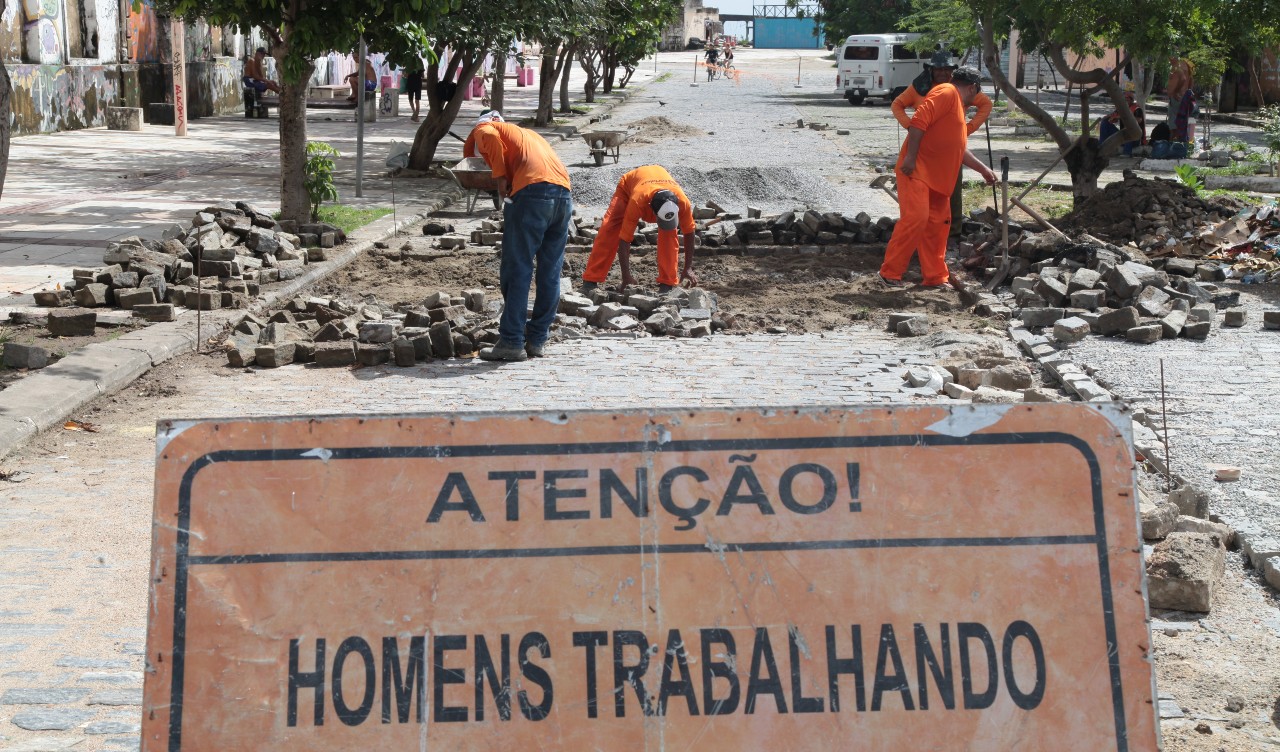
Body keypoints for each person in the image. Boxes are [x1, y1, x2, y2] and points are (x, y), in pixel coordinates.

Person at [467, 112, 573, 362]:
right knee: (550, 272)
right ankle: (537, 339)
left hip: (532, 196)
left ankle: (512, 341)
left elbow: (489, 136)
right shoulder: (528, 135)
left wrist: (500, 179)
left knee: (518, 269)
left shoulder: (484, 128)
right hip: (563, 196)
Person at [879, 66, 997, 289]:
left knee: (937, 228)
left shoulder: (957, 105)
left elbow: (957, 148)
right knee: (916, 218)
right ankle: (890, 273)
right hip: (916, 171)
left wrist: (983, 169)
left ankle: (935, 277)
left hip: (938, 180)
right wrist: (910, 158)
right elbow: (918, 122)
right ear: (973, 88)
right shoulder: (947, 92)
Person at [891, 51, 991, 235]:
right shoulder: (920, 88)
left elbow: (985, 103)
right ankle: (919, 231)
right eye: (939, 69)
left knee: (950, 191)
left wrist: (967, 129)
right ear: (931, 70)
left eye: (947, 69)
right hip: (924, 151)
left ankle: (951, 231)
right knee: (921, 201)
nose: (943, 73)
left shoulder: (961, 89)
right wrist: (909, 126)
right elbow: (898, 105)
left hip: (948, 149)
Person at [581, 165, 698, 294]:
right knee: (610, 227)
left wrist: (688, 267)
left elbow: (689, 232)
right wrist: (626, 277)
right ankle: (591, 280)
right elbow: (625, 239)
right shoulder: (637, 202)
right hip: (629, 187)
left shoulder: (682, 202)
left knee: (669, 234)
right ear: (651, 210)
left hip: (656, 182)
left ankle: (667, 284)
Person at [1099, 91, 1146, 157]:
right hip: (1123, 137)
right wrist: (1110, 117)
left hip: (1135, 138)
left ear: (1132, 100)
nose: (1125, 101)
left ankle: (1127, 153)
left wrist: (1121, 117)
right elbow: (1111, 117)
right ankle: (1101, 148)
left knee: (1130, 129)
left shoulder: (1137, 109)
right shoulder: (1121, 108)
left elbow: (1138, 120)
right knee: (1104, 123)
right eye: (1124, 99)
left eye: (1127, 99)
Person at [402, 55, 424, 122]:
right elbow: (422, 75)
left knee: (411, 99)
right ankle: (416, 115)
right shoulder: (420, 63)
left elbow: (406, 75)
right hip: (418, 84)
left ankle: (414, 113)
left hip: (410, 84)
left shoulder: (409, 64)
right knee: (417, 100)